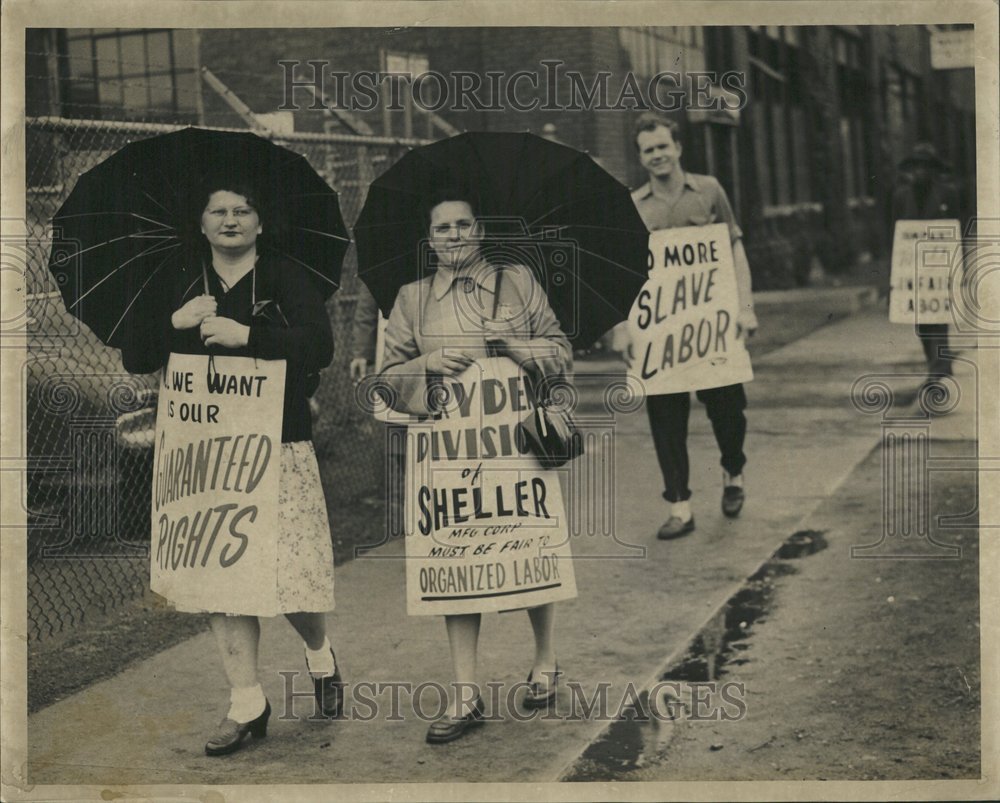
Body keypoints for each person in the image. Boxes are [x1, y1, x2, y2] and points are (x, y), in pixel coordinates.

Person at [121, 180, 344, 756]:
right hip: (204, 451)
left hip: (278, 443)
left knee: (290, 578)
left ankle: (319, 651)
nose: (230, 220)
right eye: (217, 210)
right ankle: (247, 701)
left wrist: (249, 336)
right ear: (200, 223)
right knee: (218, 573)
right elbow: (135, 354)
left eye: (243, 210)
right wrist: (176, 321)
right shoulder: (179, 278)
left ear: (260, 224)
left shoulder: (285, 275)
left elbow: (319, 347)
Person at [377, 190, 574, 743]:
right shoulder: (412, 300)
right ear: (430, 239)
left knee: (527, 549)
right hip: (450, 459)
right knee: (457, 561)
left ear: (481, 230)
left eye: (465, 225)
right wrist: (427, 362)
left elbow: (561, 351)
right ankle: (465, 693)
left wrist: (515, 345)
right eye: (443, 228)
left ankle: (545, 659)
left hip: (516, 447)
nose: (455, 235)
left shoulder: (517, 284)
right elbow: (386, 379)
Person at [627, 113, 757, 540]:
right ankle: (679, 505)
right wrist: (625, 328)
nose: (658, 155)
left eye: (663, 146)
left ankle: (732, 471)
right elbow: (629, 272)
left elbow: (734, 247)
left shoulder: (710, 191)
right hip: (662, 334)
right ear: (641, 157)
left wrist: (745, 307)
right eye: (649, 150)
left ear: (678, 147)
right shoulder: (635, 205)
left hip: (711, 326)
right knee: (664, 417)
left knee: (728, 410)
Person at [891, 142, 961, 385]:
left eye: (926, 167)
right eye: (917, 167)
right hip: (912, 271)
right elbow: (896, 234)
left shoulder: (948, 194)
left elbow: (957, 229)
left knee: (938, 317)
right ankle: (937, 365)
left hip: (939, 269)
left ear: (933, 170)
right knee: (921, 323)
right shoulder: (901, 197)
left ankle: (937, 370)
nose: (921, 172)